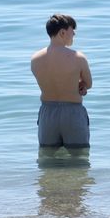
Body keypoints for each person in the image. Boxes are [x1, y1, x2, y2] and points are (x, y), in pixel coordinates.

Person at [31, 13, 93, 151]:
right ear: (62, 32)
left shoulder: (35, 59)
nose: (74, 34)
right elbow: (88, 83)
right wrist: (80, 85)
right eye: (73, 30)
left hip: (47, 114)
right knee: (79, 160)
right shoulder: (78, 57)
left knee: (47, 160)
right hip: (73, 113)